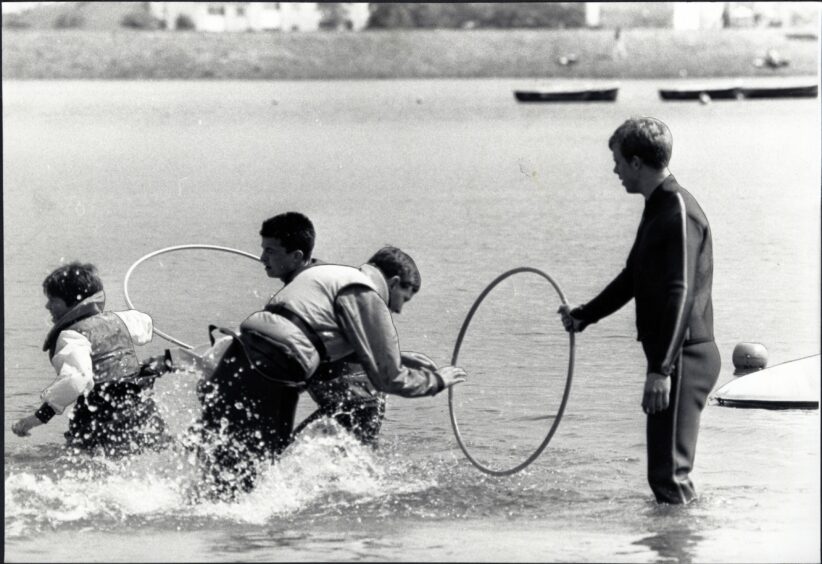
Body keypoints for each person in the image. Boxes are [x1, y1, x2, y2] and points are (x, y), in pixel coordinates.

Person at [190, 212, 466, 499]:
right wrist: (436, 381)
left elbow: (317, 333)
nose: (398, 310)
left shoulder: (322, 274)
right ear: (394, 283)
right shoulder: (365, 293)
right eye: (403, 299)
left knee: (217, 469)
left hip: (238, 354)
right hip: (276, 368)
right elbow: (387, 379)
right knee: (253, 483)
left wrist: (401, 357)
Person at [558, 117, 720, 505]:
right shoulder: (657, 205)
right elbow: (633, 277)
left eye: (616, 161)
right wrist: (584, 316)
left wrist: (661, 370)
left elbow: (680, 292)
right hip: (672, 357)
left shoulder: (678, 209)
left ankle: (681, 546)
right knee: (663, 476)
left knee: (669, 476)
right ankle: (679, 540)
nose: (614, 170)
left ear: (635, 162)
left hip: (685, 356)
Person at [11, 261, 170, 456]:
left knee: (86, 464)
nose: (47, 306)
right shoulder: (123, 319)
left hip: (102, 420)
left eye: (53, 300)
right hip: (142, 410)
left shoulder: (71, 336)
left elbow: (77, 378)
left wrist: (37, 418)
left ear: (72, 302)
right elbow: (144, 325)